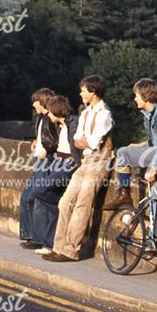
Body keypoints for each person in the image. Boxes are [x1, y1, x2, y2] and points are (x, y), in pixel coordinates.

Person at [103, 78, 157, 247]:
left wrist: (154, 169)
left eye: (136, 95)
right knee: (124, 152)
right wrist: (142, 144)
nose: (134, 99)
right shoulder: (148, 114)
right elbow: (156, 141)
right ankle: (124, 193)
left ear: (145, 96)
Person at [43, 76, 114, 262]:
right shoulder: (85, 113)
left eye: (83, 90)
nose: (81, 93)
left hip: (99, 161)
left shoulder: (105, 114)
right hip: (87, 160)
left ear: (93, 91)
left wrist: (85, 142)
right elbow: (78, 140)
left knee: (83, 204)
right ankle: (58, 247)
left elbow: (92, 141)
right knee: (65, 202)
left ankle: (71, 250)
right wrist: (85, 143)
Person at [31, 94, 80, 255]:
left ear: (57, 111)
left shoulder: (73, 123)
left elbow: (76, 148)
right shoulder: (61, 125)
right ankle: (49, 244)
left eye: (51, 112)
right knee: (52, 202)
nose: (48, 114)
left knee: (39, 190)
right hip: (58, 161)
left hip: (68, 164)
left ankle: (58, 212)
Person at [19, 88, 57, 250]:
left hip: (47, 161)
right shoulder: (42, 118)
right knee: (26, 197)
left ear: (43, 101)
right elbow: (45, 135)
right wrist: (37, 140)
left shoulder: (53, 118)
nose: (33, 104)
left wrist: (46, 149)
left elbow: (58, 140)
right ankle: (29, 234)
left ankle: (39, 238)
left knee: (39, 199)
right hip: (39, 160)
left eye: (36, 101)